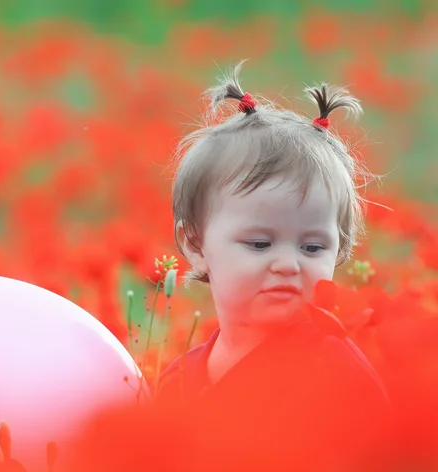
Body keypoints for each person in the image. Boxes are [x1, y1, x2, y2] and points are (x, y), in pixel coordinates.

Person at [157, 61, 389, 410]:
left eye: (312, 247)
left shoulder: (335, 373)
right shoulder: (178, 381)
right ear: (194, 244)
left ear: (339, 250)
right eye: (260, 244)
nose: (287, 264)